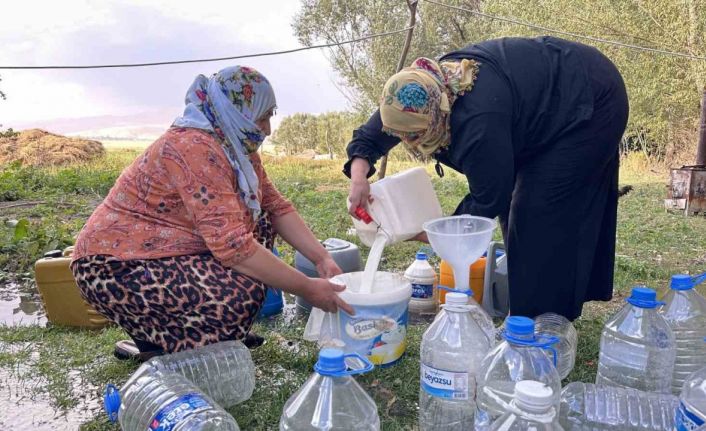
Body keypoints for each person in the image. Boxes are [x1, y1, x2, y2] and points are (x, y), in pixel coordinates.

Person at [71, 66, 353, 360]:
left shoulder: (235, 146)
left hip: (163, 252)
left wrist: (322, 258)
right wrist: (308, 288)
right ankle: (162, 345)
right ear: (237, 108)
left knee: (261, 233)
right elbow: (234, 248)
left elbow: (275, 206)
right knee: (236, 295)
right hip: (113, 265)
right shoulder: (193, 146)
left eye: (271, 115)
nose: (267, 129)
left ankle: (191, 340)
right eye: (264, 115)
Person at [345, 36, 629, 320]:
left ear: (438, 114)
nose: (408, 143)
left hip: (589, 101)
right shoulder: (410, 93)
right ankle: (528, 307)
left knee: (535, 211)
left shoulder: (476, 121)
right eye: (400, 136)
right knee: (518, 217)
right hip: (540, 103)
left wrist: (429, 234)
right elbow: (377, 132)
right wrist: (359, 176)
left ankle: (539, 327)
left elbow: (489, 198)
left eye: (415, 136)